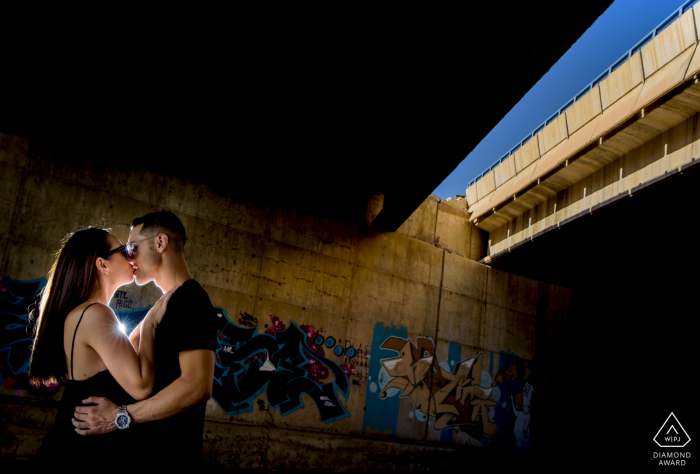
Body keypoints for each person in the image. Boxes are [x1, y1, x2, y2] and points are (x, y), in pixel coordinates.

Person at [72, 210, 218, 468]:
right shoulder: (161, 307)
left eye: (132, 247)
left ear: (160, 243)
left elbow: (197, 385)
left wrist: (119, 416)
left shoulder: (191, 299)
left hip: (166, 458)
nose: (129, 257)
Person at [29, 227, 174, 463]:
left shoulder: (80, 314)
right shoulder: (97, 314)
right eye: (123, 250)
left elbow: (119, 357)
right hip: (83, 455)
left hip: (68, 445)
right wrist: (150, 326)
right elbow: (141, 387)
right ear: (102, 264)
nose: (131, 256)